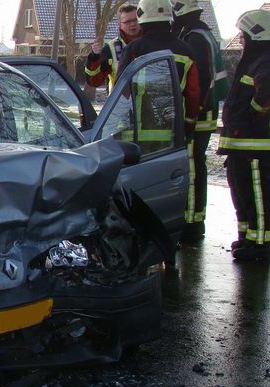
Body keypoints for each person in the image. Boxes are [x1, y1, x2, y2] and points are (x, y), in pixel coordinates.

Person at [171, 0, 230, 243]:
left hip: (198, 116)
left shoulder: (194, 38)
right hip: (203, 114)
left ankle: (192, 223)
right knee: (196, 164)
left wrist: (190, 116)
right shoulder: (202, 34)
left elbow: (201, 81)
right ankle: (194, 220)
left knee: (193, 166)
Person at [218, 8, 270, 261]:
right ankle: (248, 238)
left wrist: (253, 115)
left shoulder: (265, 60)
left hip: (255, 147)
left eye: (243, 34)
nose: (240, 39)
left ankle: (261, 245)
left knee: (258, 195)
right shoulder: (255, 59)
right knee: (243, 194)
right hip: (242, 146)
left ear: (255, 34)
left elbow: (266, 93)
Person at [117, 0, 201, 144]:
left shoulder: (133, 49)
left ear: (141, 19)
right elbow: (193, 94)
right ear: (170, 18)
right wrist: (189, 125)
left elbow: (120, 93)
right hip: (172, 136)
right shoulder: (186, 51)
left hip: (134, 137)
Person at [84, 3, 142, 93]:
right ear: (120, 25)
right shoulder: (111, 49)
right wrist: (94, 57)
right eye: (127, 22)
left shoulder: (150, 43)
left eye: (136, 20)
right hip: (121, 101)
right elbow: (94, 82)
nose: (132, 24)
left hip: (153, 101)